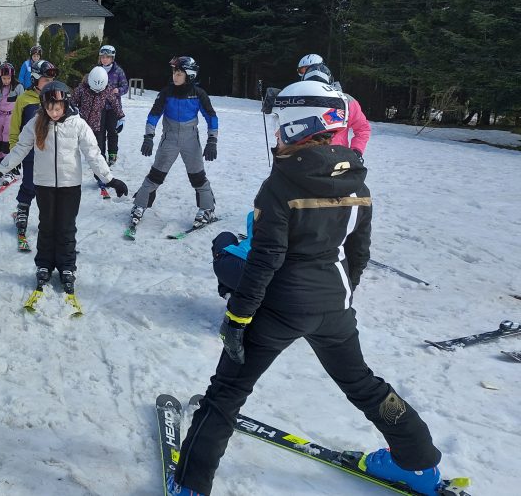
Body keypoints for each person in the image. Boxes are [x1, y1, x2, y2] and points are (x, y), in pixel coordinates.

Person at [170, 79, 446, 496]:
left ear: (300, 125)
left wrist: (237, 317)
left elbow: (265, 261)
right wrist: (338, 301)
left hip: (279, 307)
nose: (277, 133)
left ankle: (190, 485)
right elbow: (358, 255)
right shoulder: (358, 182)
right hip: (334, 305)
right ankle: (419, 464)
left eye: (281, 124)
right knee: (364, 385)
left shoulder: (280, 186)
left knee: (227, 392)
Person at [0, 81, 127, 310]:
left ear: (65, 103)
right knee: (47, 226)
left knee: (66, 227)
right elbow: (19, 149)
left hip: (70, 186)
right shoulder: (36, 123)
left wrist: (110, 179)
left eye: (57, 108)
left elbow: (93, 153)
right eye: (49, 108)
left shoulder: (78, 124)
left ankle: (67, 266)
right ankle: (44, 265)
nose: (53, 113)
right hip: (44, 184)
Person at [130, 56, 218, 232]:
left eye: (179, 73)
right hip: (169, 139)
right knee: (155, 176)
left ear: (190, 75)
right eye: (174, 72)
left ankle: (207, 208)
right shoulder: (166, 92)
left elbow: (211, 117)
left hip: (191, 141)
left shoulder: (198, 94)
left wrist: (212, 141)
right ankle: (139, 205)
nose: (175, 76)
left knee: (198, 177)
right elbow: (154, 114)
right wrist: (149, 136)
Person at [8, 59, 58, 244]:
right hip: (29, 153)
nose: (49, 85)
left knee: (49, 188)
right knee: (29, 184)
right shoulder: (24, 99)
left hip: (50, 153)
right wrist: (14, 153)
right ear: (35, 79)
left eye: (51, 81)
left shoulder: (56, 99)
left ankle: (49, 219)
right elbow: (15, 128)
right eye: (45, 81)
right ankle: (22, 209)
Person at [299, 58, 371, 158]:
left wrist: (356, 150)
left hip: (336, 158)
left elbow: (362, 128)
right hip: (301, 157)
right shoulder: (297, 100)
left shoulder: (346, 101)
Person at [71, 66, 125, 188]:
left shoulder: (107, 90)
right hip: (80, 125)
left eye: (98, 91)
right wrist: (74, 112)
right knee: (71, 151)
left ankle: (100, 177)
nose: (96, 92)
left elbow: (115, 104)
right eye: (93, 90)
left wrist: (121, 117)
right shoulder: (81, 89)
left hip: (96, 127)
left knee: (98, 152)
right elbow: (72, 103)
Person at [97, 45, 129, 164]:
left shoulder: (118, 71)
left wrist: (118, 91)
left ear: (112, 58)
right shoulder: (96, 70)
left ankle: (112, 154)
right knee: (99, 131)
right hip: (99, 106)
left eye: (107, 57)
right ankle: (100, 155)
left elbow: (125, 87)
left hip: (113, 107)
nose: (104, 59)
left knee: (112, 131)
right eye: (103, 57)